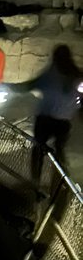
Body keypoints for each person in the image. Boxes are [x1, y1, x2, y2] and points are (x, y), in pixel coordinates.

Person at [26, 45, 81, 180]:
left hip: (45, 119)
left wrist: (11, 87)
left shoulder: (51, 73)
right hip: (63, 121)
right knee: (59, 152)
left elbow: (32, 85)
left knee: (38, 150)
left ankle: (35, 182)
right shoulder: (76, 75)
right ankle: (59, 182)